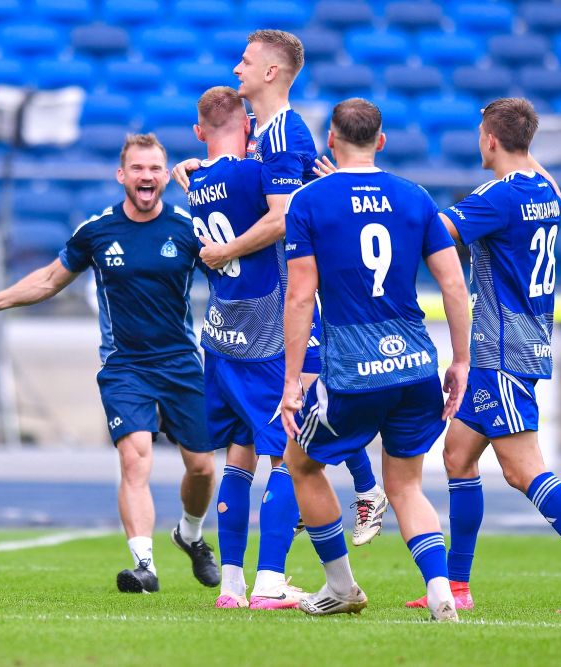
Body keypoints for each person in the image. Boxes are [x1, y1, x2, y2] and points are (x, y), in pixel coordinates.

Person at [0, 133, 220, 594]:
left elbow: (229, 273)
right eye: (137, 168)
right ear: (122, 175)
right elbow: (48, 280)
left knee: (201, 468)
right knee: (134, 459)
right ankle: (144, 566)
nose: (146, 176)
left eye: (155, 168)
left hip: (181, 363)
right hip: (125, 366)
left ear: (165, 175)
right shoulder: (96, 231)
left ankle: (190, 535)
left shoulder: (186, 227)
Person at [404, 98, 561, 614]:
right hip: (512, 341)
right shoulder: (546, 190)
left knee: (522, 468)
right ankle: (457, 586)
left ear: (490, 140)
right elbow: (535, 175)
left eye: (481, 132)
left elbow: (438, 233)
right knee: (458, 457)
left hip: (503, 347)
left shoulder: (497, 197)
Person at [173, 29, 388, 546]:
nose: (235, 69)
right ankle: (354, 496)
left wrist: (226, 249)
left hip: (296, 299)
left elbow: (281, 217)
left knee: (303, 409)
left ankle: (362, 493)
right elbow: (251, 182)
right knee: (290, 418)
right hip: (274, 307)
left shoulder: (287, 133)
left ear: (271, 72)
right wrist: (202, 168)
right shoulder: (264, 136)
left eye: (245, 61)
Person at [279, 99, 472, 621]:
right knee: (406, 485)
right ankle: (439, 590)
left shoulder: (309, 200)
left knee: (300, 462)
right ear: (380, 142)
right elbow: (455, 284)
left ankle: (341, 586)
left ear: (331, 142)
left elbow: (299, 296)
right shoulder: (415, 197)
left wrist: (293, 380)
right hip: (414, 364)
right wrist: (461, 361)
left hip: (353, 368)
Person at [188, 86, 321, 609]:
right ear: (247, 126)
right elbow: (285, 211)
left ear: (200, 133)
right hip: (264, 335)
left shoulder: (197, 180)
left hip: (222, 334)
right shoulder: (253, 170)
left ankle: (231, 586)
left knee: (238, 459)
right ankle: (270, 581)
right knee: (289, 457)